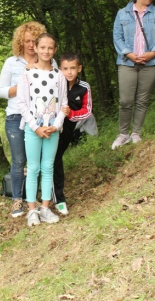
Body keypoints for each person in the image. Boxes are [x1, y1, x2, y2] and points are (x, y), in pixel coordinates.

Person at [0, 21, 53, 218]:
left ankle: (34, 198)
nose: (30, 45)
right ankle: (16, 200)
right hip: (15, 117)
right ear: (20, 42)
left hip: (39, 118)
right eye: (26, 41)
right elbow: (1, 91)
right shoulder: (12, 62)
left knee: (36, 160)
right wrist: (22, 83)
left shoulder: (48, 62)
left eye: (34, 41)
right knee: (19, 160)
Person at [17, 33, 68, 227]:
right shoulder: (27, 74)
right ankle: (32, 211)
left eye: (50, 48)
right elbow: (22, 103)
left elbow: (63, 102)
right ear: (36, 49)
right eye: (43, 47)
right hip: (33, 129)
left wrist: (57, 125)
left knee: (48, 167)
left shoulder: (59, 76)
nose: (46, 51)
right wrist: (35, 127)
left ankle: (46, 208)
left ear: (54, 51)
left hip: (53, 129)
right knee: (33, 169)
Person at [112, 0, 155, 149]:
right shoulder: (122, 13)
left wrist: (152, 54)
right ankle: (123, 134)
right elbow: (117, 37)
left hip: (150, 63)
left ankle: (136, 133)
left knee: (142, 100)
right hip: (126, 63)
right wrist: (129, 54)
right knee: (126, 100)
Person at [53, 53, 98, 215]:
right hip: (52, 128)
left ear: (79, 68)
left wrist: (70, 115)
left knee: (56, 159)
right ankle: (58, 198)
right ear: (60, 69)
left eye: (73, 68)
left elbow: (87, 110)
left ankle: (54, 196)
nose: (69, 72)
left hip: (69, 129)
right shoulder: (54, 83)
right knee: (53, 159)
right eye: (65, 68)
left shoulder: (84, 87)